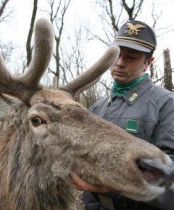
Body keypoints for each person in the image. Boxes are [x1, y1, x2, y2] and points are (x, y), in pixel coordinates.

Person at [72, 20, 174, 210]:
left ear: (148, 63)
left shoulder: (167, 105)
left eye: (131, 57)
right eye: (117, 54)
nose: (119, 63)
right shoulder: (96, 108)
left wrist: (115, 183)